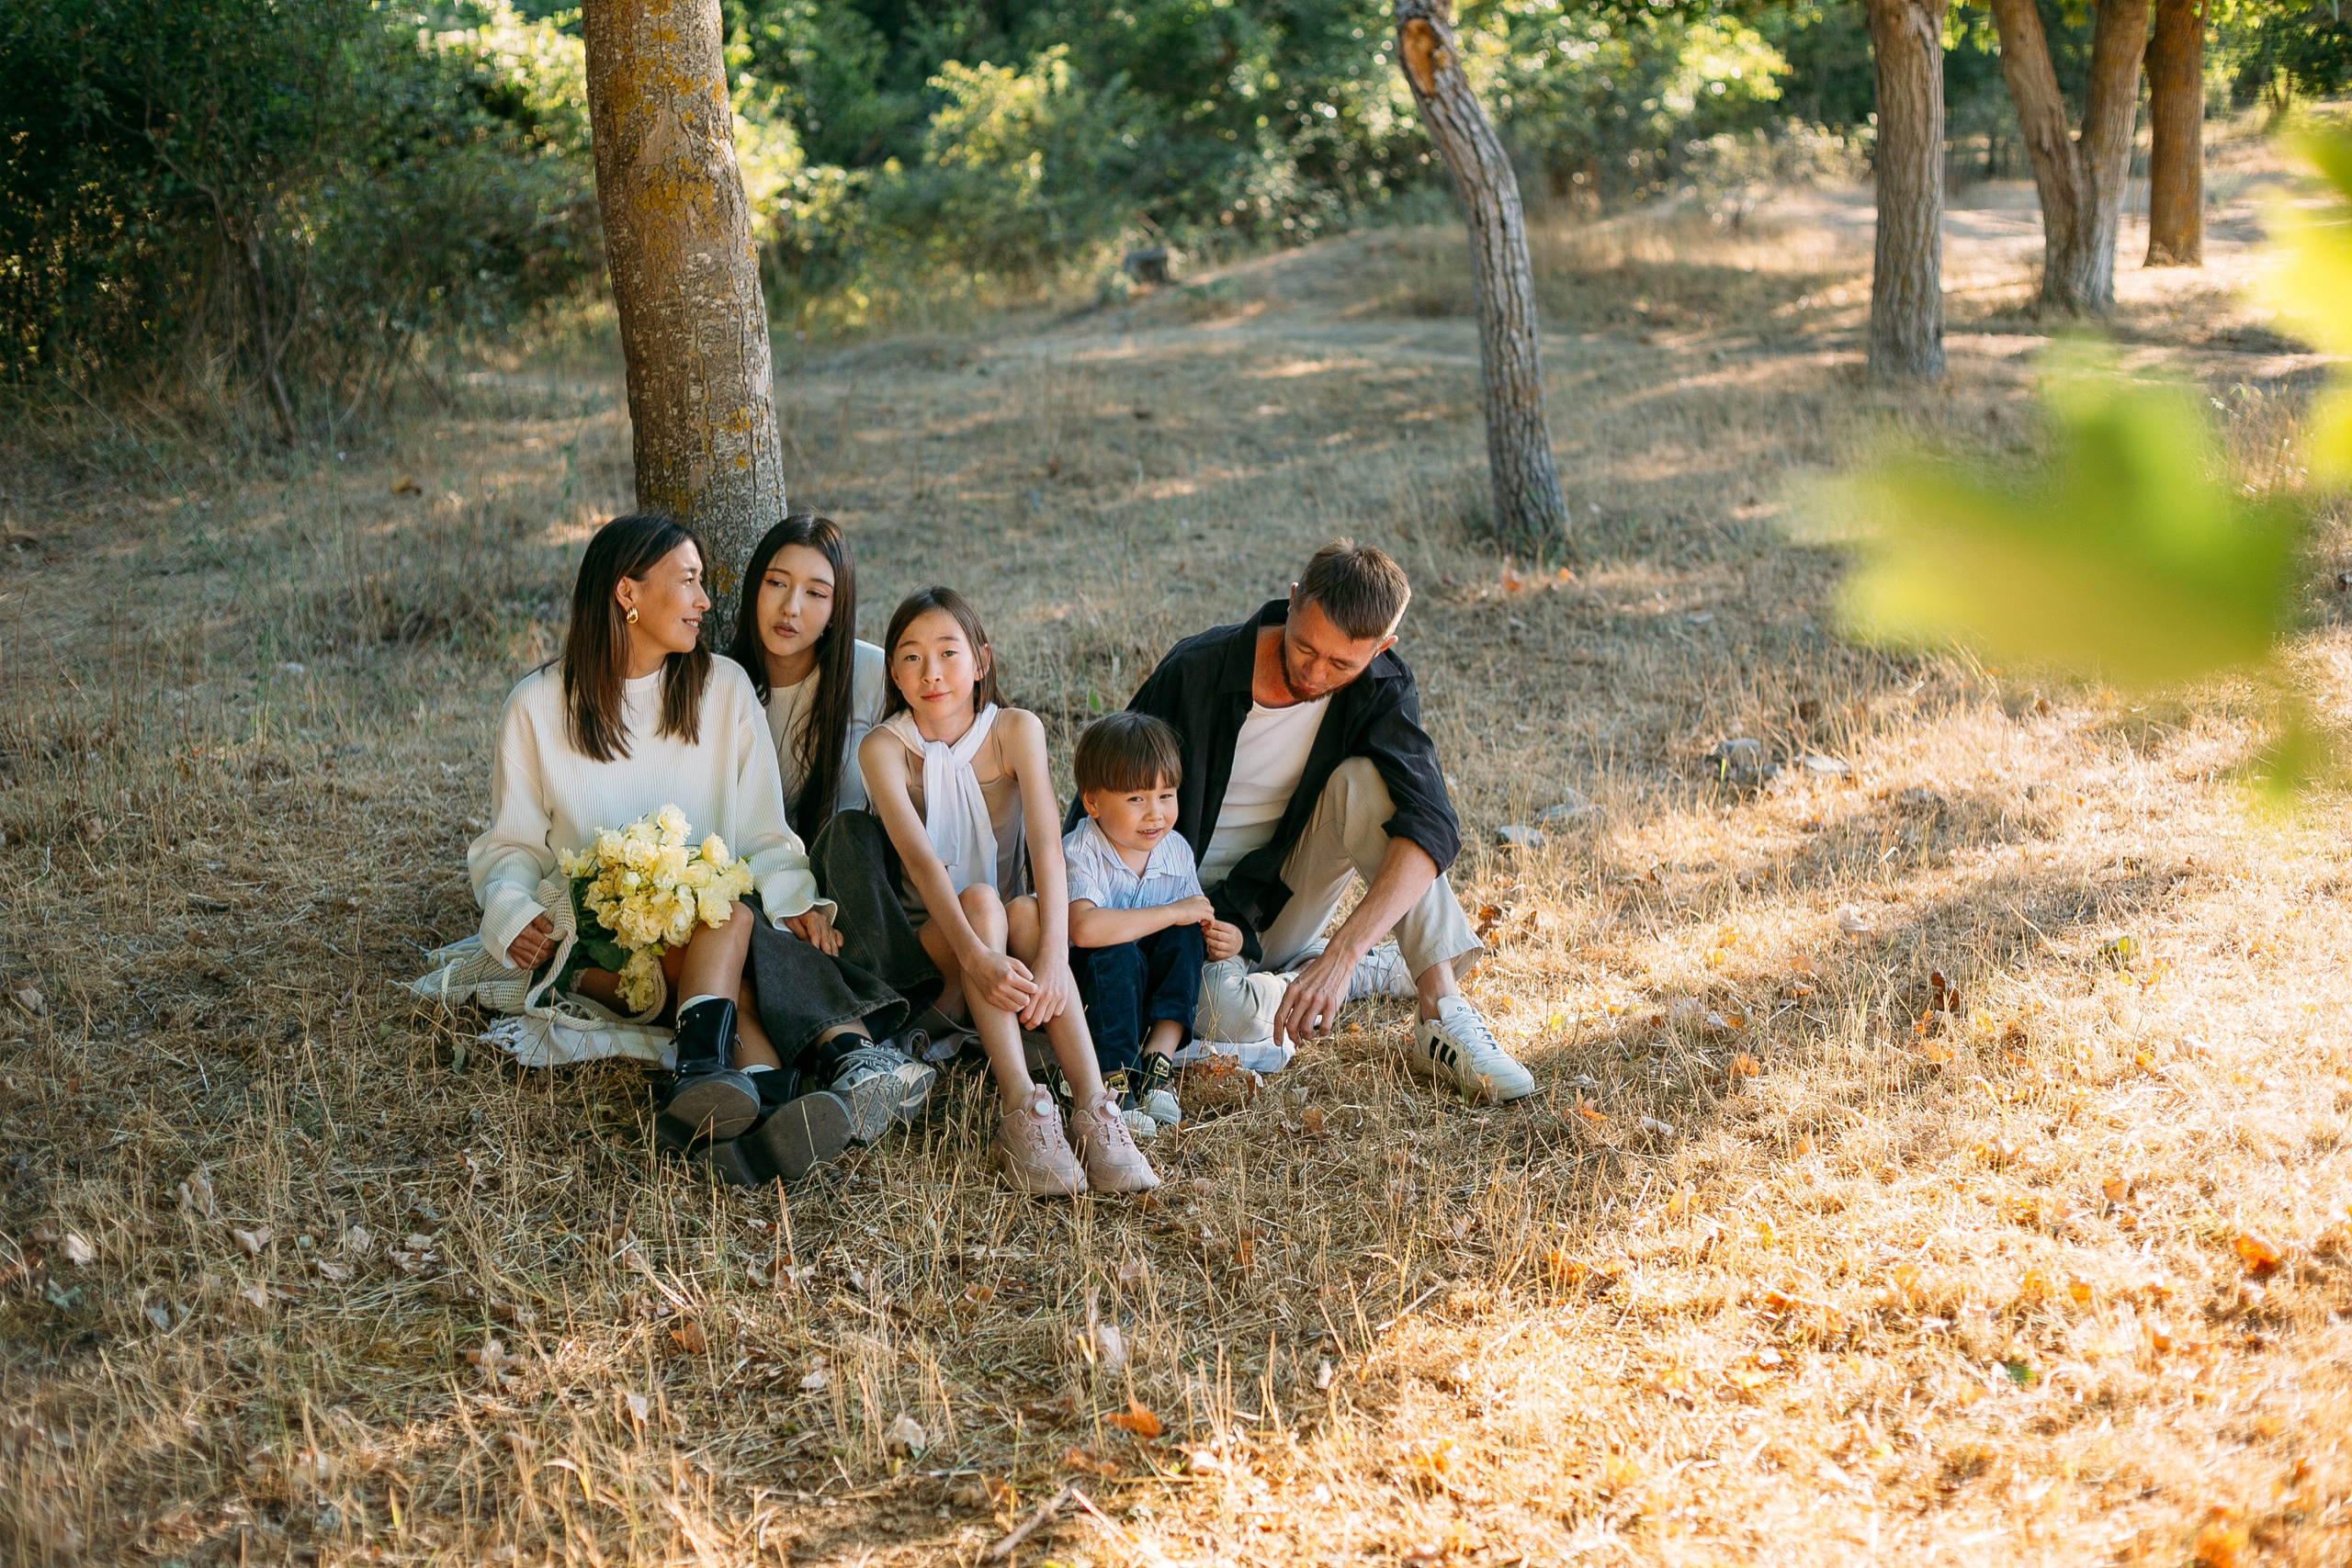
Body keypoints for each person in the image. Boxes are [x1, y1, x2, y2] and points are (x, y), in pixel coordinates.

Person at [467, 513, 927, 1188]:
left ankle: (730, 1093)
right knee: (734, 922)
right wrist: (508, 910)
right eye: (688, 582)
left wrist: (798, 900)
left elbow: (764, 831)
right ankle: (846, 1053)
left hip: (705, 935)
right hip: (596, 938)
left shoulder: (723, 689)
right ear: (628, 592)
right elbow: (508, 847)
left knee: (731, 921)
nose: (706, 601)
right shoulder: (537, 706)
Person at [1110, 540, 1536, 1102]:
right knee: (1217, 1012)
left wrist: (1343, 953)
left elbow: (1434, 825)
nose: (1314, 673)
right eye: (1305, 646)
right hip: (1173, 910)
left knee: (1367, 784)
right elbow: (1110, 791)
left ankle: (1439, 1009)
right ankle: (1360, 976)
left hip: (1273, 901)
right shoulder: (1196, 669)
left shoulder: (1381, 687)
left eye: (1341, 663)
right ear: (1292, 601)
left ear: (1382, 648)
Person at [857, 587, 1160, 1196]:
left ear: (982, 661)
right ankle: (1024, 1108)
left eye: (948, 652)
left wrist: (1053, 955)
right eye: (912, 657)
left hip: (1015, 933)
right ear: (893, 671)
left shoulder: (1016, 729)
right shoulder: (883, 749)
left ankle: (1097, 1109)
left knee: (1018, 908)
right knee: (980, 903)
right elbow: (919, 861)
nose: (932, 671)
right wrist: (975, 955)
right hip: (938, 942)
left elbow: (1048, 843)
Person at [1063, 712, 1241, 1138]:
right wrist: (1172, 913)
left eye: (1166, 795)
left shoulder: (1174, 849)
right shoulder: (1080, 849)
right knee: (1116, 951)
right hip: (1097, 992)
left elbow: (1192, 921)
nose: (1155, 814)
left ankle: (1158, 1062)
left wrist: (1223, 937)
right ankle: (1115, 1081)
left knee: (1185, 934)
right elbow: (1083, 930)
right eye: (1136, 799)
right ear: (1092, 803)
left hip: (1152, 991)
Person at [727, 513, 889, 840]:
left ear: (834, 611)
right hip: (751, 878)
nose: (791, 607)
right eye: (776, 583)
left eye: (815, 593)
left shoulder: (873, 673)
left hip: (847, 872)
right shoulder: (720, 684)